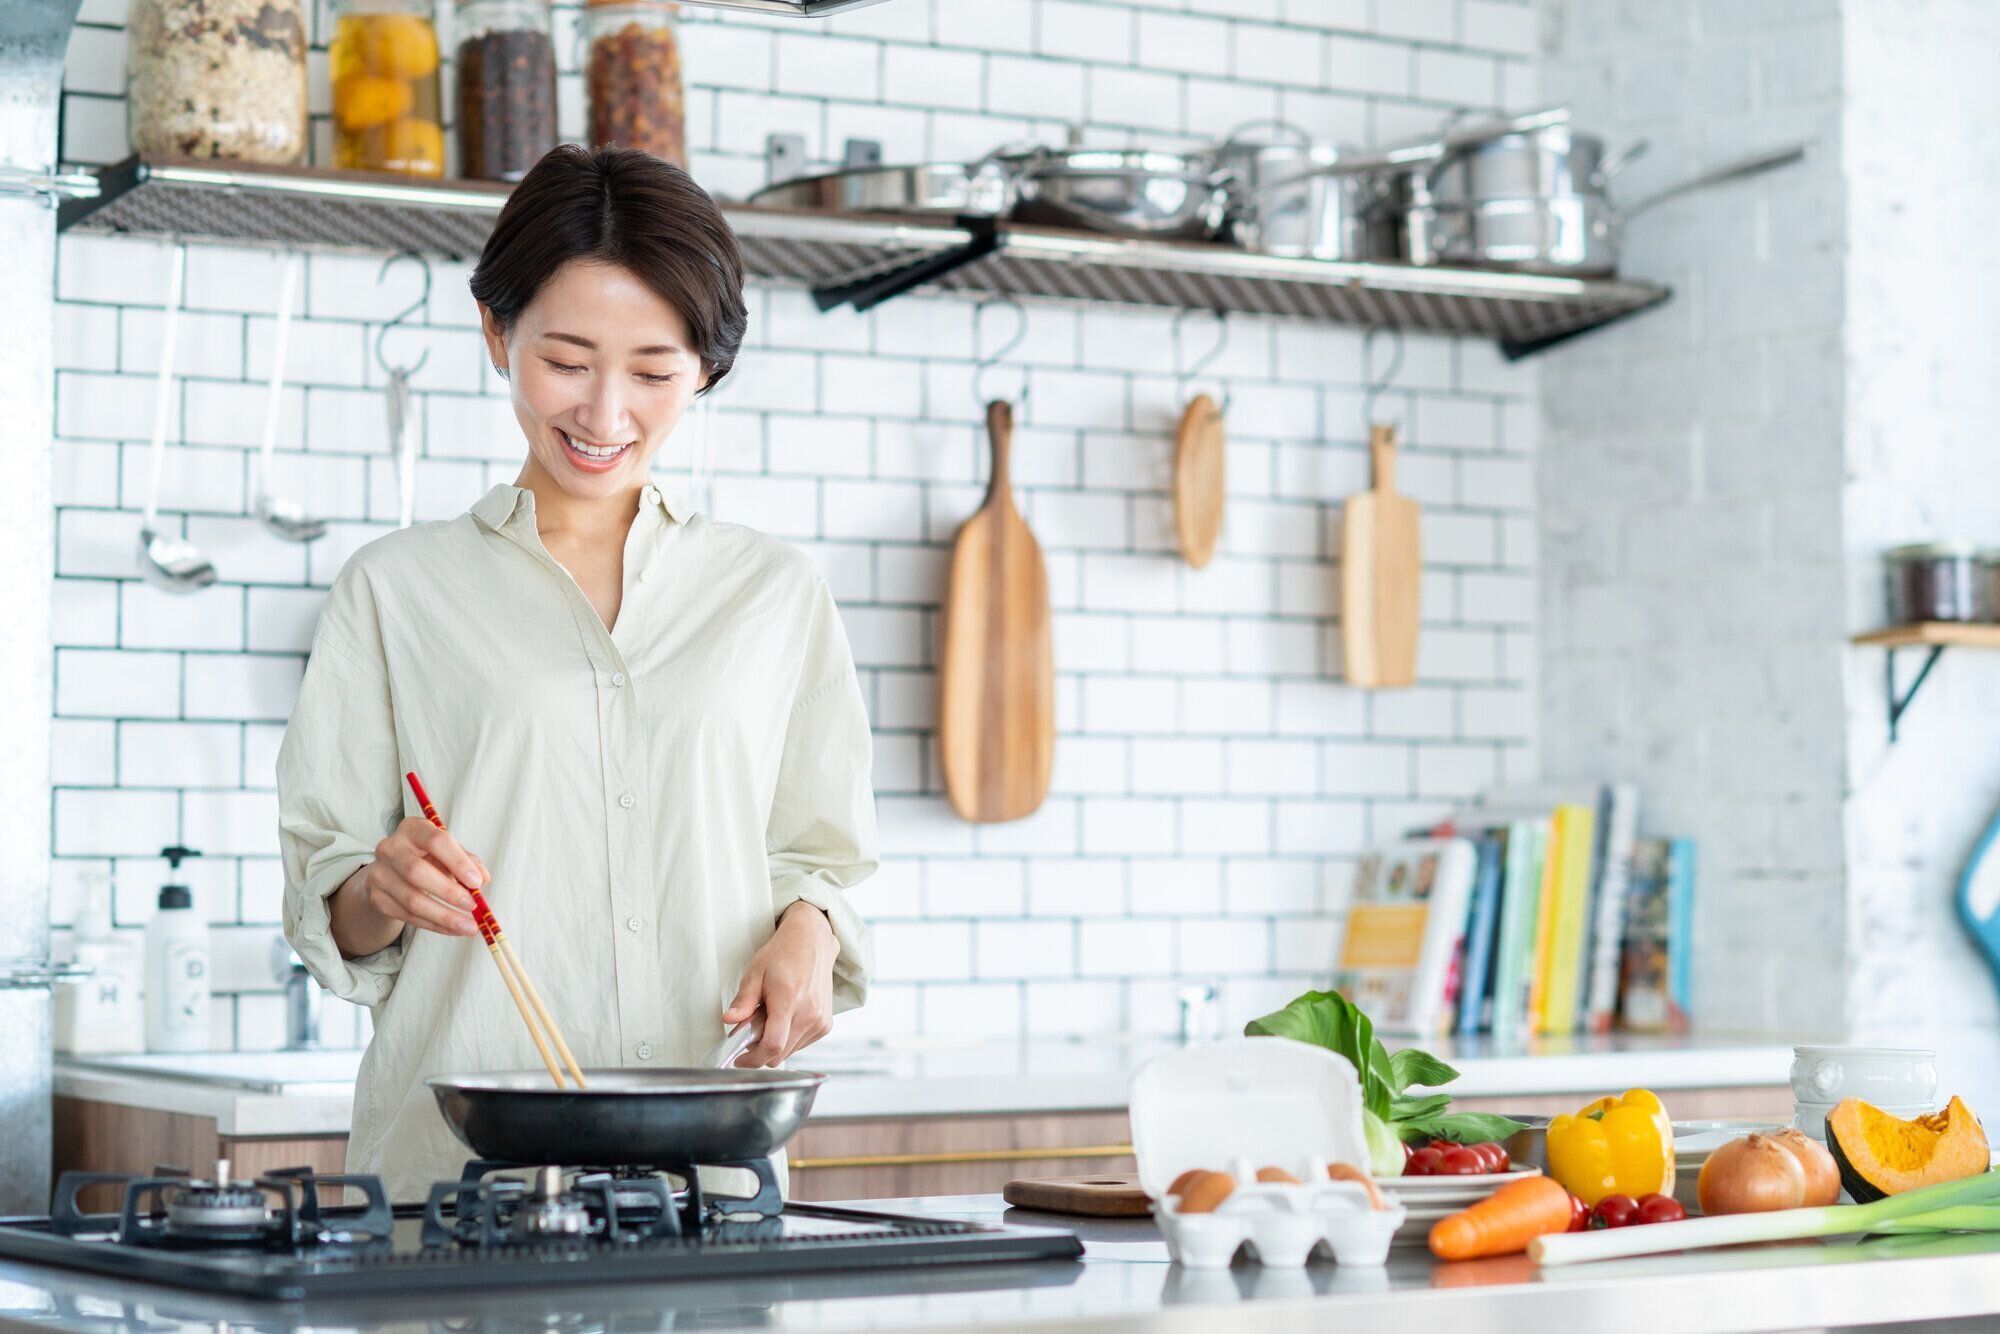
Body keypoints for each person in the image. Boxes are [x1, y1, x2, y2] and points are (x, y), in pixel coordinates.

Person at [277, 145, 876, 1202]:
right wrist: (382, 884)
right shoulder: (393, 591)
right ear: (496, 332)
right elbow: (330, 908)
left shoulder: (772, 592)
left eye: (652, 371)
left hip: (709, 1176)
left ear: (704, 368)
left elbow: (818, 857)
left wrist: (808, 930)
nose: (605, 414)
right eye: (565, 359)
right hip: (462, 1187)